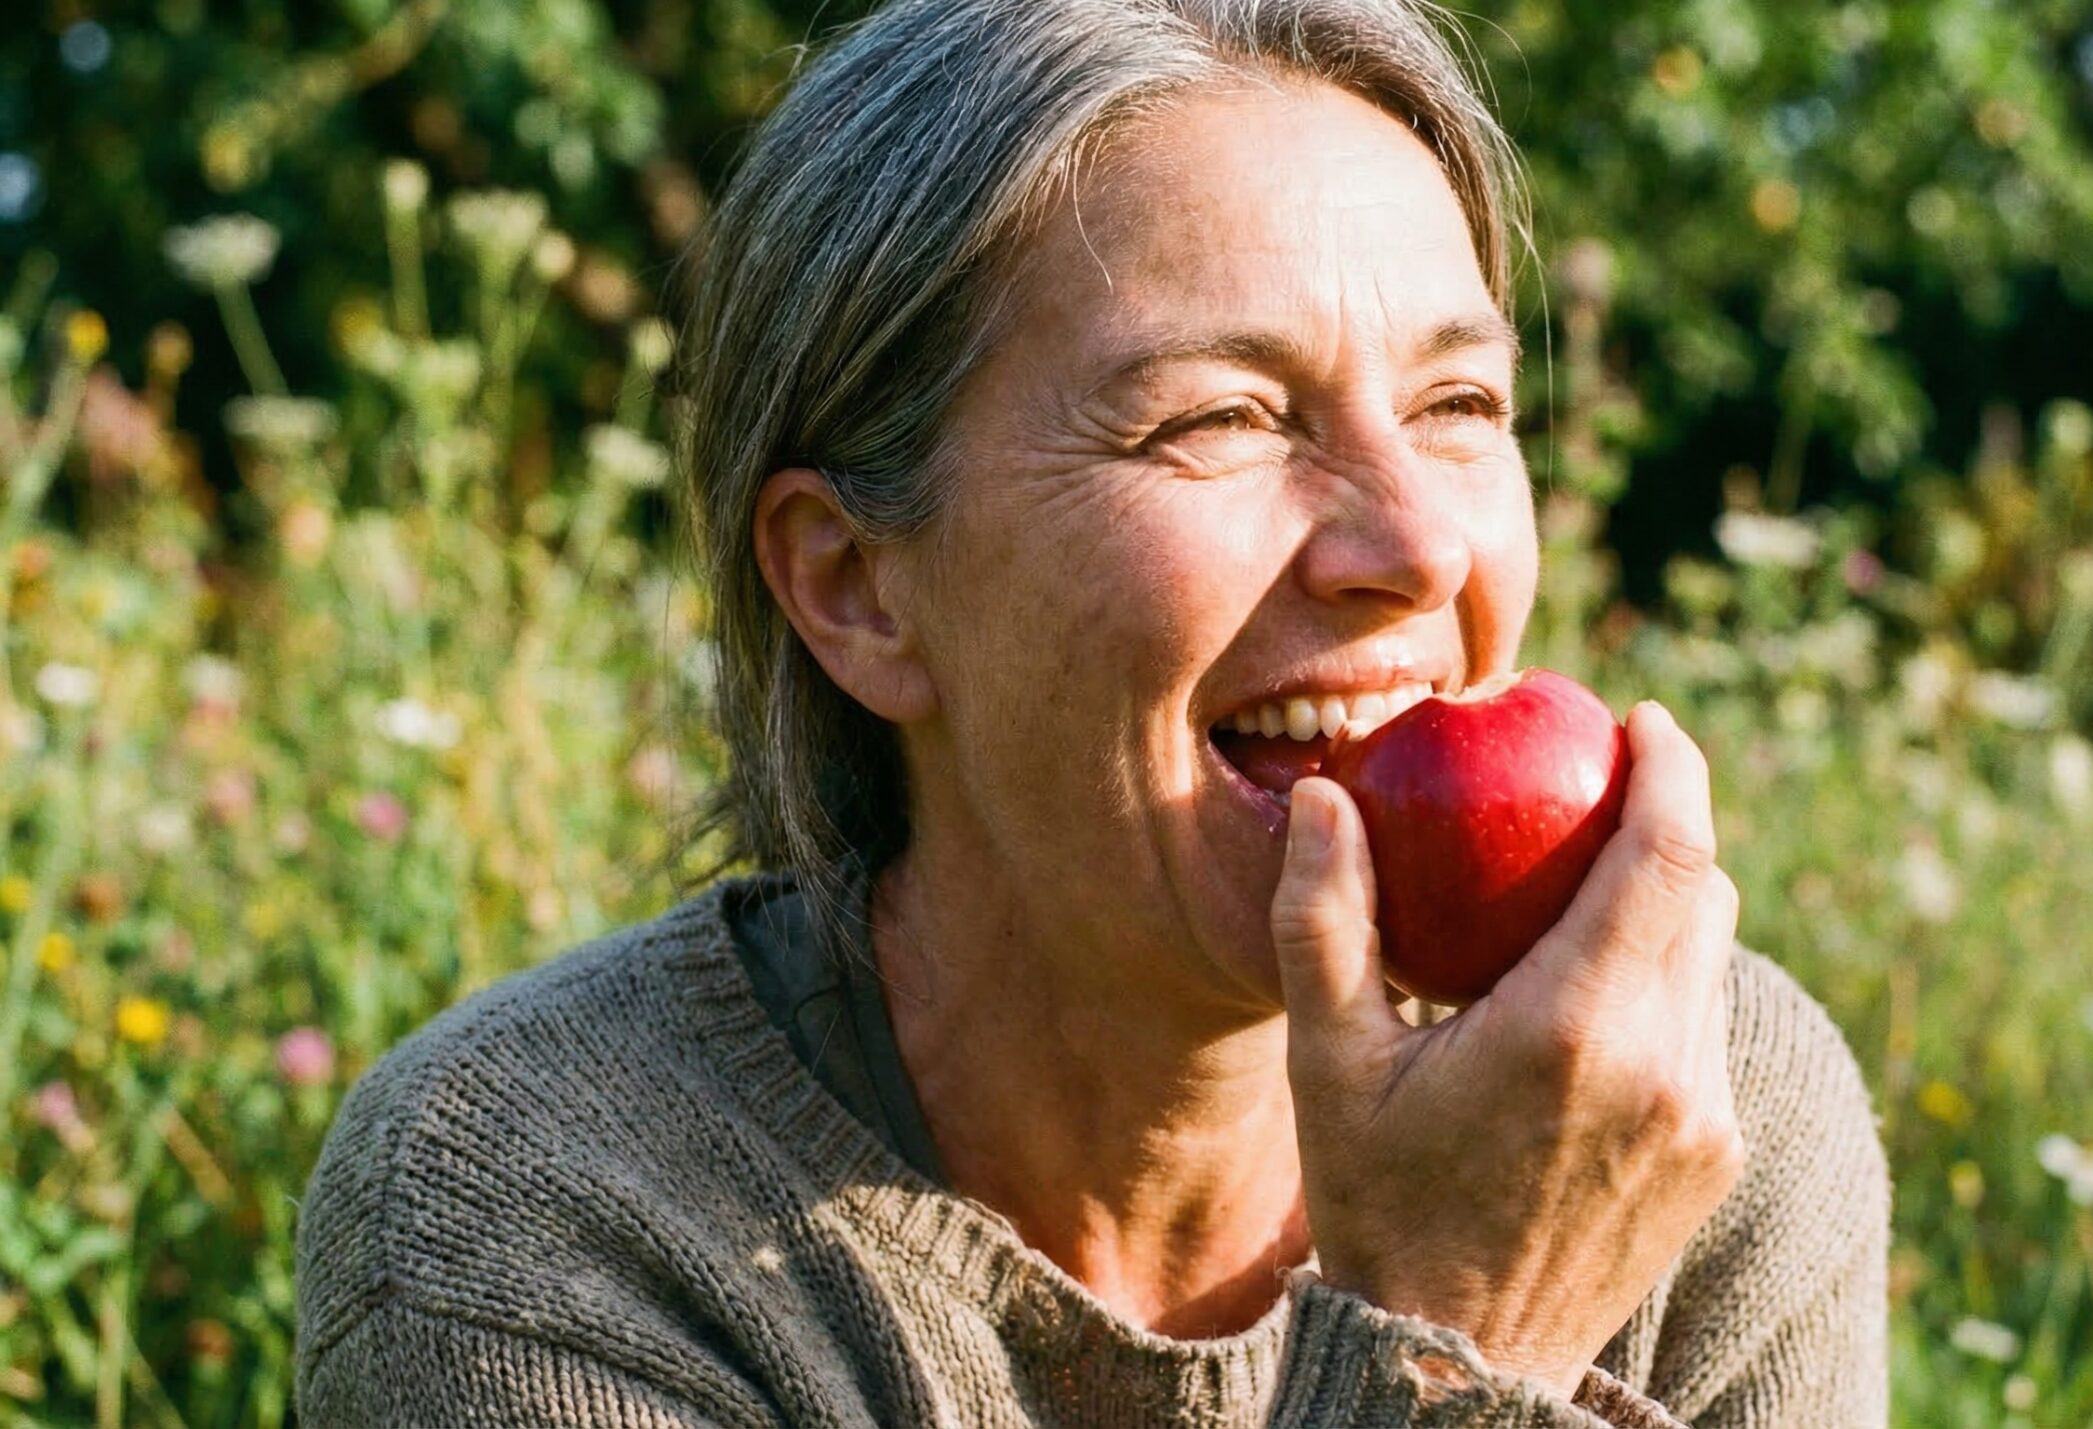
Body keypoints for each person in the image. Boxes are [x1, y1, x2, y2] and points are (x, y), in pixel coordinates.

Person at [292, 0, 1890, 1423]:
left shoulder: (1690, 1107)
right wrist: (1455, 1349)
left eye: (1459, 404)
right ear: (855, 587)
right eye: (1220, 419)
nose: (1415, 546)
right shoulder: (536, 1210)